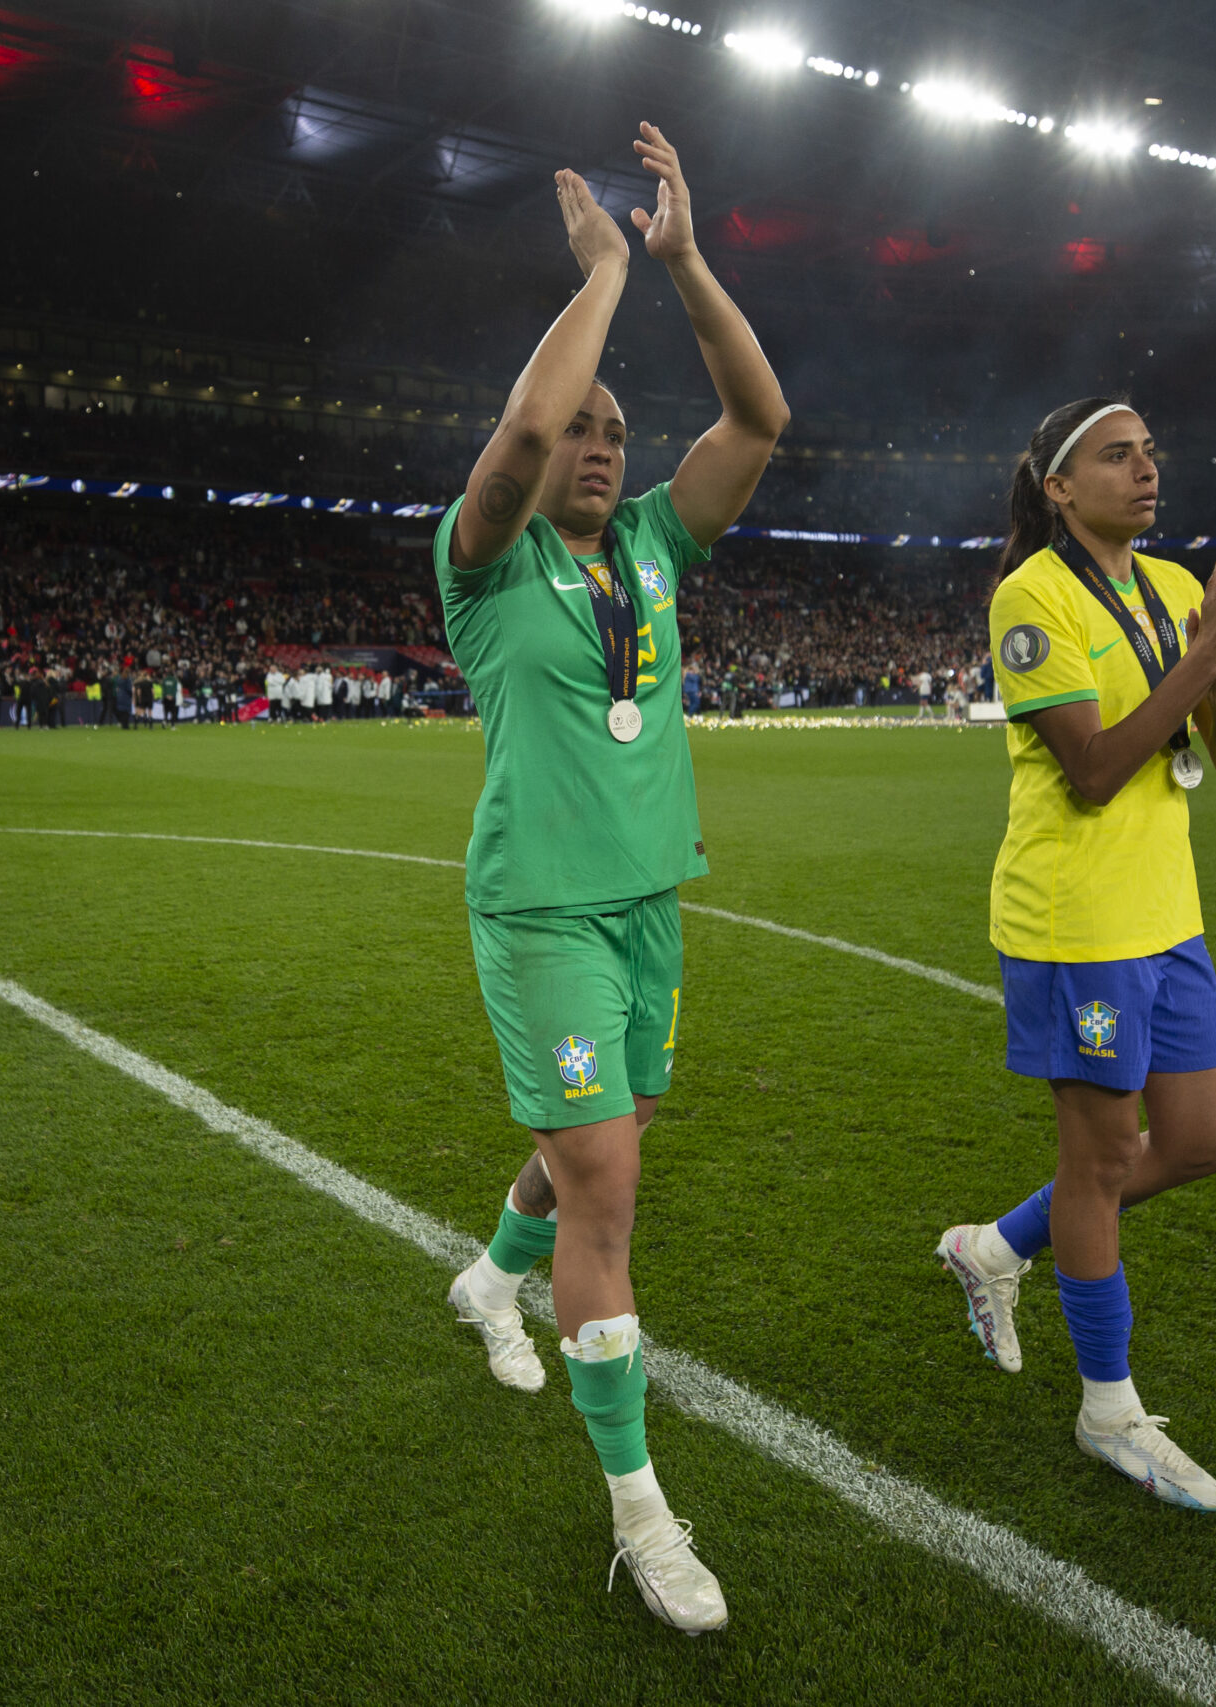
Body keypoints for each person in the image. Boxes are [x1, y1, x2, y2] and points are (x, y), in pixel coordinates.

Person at [434, 124, 786, 1634]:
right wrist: (599, 271)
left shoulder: (648, 543)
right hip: (543, 909)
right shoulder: (482, 555)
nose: (597, 445)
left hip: (650, 899)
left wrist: (688, 265)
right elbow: (516, 440)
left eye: (615, 434)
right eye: (585, 427)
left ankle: (484, 1277)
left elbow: (759, 418)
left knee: (613, 1137)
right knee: (612, 1190)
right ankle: (643, 1512)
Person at [933, 396, 1216, 1515]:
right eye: (1115, 456)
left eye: (1150, 454)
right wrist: (1205, 661)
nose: (1144, 472)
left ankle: (996, 1249)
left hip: (1165, 913)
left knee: (1200, 1142)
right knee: (1099, 1159)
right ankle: (1108, 1412)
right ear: (1057, 485)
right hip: (1074, 919)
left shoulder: (1180, 588)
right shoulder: (1030, 595)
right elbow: (1093, 769)